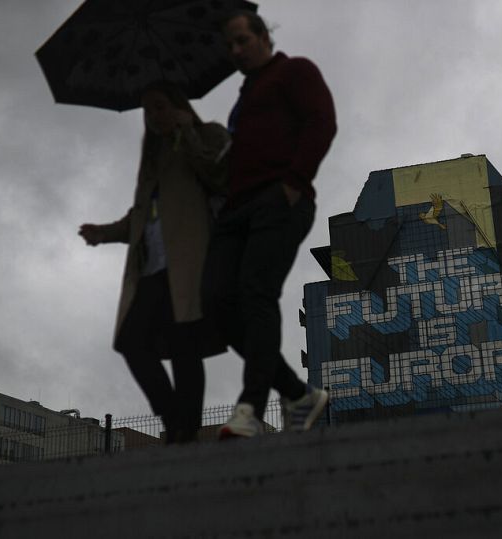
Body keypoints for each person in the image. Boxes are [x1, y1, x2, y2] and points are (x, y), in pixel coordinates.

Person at [206, 10, 337, 438]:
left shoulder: (294, 71)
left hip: (279, 199)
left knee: (256, 293)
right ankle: (298, 393)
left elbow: (322, 121)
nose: (236, 51)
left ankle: (249, 409)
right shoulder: (241, 104)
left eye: (242, 40)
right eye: (229, 46)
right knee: (218, 304)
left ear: (264, 35)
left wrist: (295, 182)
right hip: (236, 210)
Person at [79, 81, 229, 443]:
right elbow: (141, 216)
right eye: (147, 110)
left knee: (184, 344)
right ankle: (174, 415)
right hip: (150, 266)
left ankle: (185, 429)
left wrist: (187, 131)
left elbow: (219, 174)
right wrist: (105, 232)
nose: (153, 116)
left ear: (177, 105)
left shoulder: (208, 133)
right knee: (131, 341)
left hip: (190, 260)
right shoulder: (153, 156)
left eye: (160, 106)